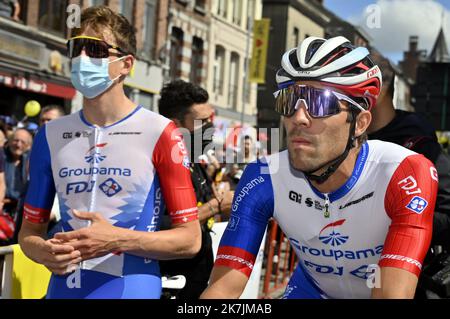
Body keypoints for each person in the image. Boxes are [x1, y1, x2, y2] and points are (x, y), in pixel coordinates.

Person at [200, 36, 438, 299]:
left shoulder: (403, 172)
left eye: (320, 102)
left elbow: (392, 295)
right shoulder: (264, 176)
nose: (298, 118)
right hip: (312, 290)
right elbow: (221, 291)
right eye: (289, 101)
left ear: (359, 123)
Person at [18, 6, 200, 299]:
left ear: (126, 64)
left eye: (95, 49)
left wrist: (117, 239)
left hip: (130, 288)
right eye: (75, 48)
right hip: (64, 288)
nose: (81, 58)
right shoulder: (50, 134)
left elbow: (190, 240)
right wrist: (41, 250)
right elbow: (29, 233)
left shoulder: (161, 132)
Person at [367, 50, 450, 297]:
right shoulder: (342, 137)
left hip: (405, 280)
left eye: (353, 84)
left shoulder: (419, 144)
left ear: (379, 90)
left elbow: (447, 213)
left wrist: (403, 220)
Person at [158, 80, 235, 299]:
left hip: (198, 282)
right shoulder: (156, 168)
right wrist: (215, 205)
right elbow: (160, 225)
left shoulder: (195, 163)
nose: (209, 129)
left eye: (210, 121)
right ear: (175, 125)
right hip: (169, 283)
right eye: (202, 123)